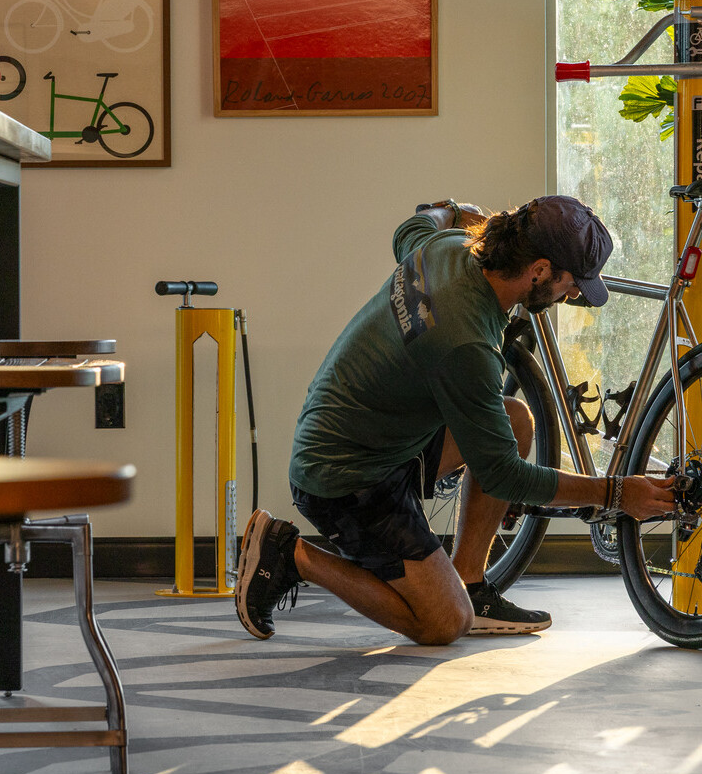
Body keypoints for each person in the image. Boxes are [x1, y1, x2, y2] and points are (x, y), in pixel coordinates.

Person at [235, 195, 678, 645]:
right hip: (345, 478)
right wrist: (615, 493)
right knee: (444, 623)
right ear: (540, 270)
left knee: (516, 420)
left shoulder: (448, 248)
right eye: (572, 282)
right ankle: (290, 553)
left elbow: (411, 228)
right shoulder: (465, 343)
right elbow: (504, 477)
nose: (575, 293)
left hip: (373, 433)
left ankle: (470, 582)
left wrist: (449, 207)